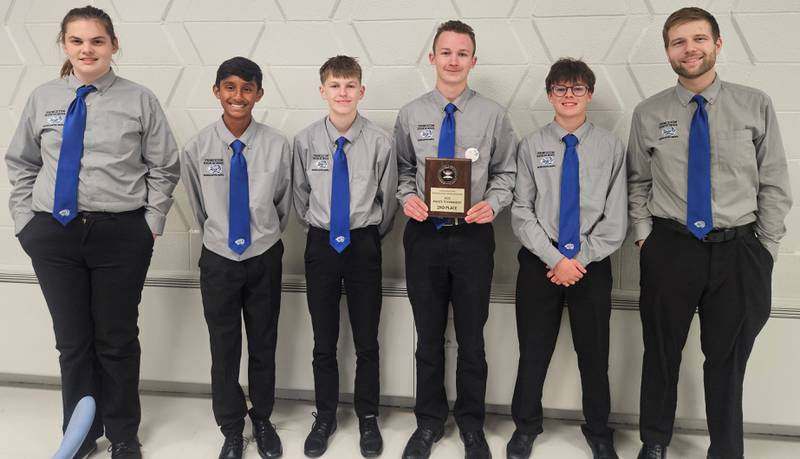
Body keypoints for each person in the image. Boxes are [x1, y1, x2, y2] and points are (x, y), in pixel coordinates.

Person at [4, 5, 180, 458]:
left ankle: (123, 434)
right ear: (65, 45)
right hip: (53, 235)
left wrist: (150, 224)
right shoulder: (43, 97)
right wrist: (26, 223)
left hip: (120, 234)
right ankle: (79, 434)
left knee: (117, 338)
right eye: (77, 41)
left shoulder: (139, 99)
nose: (87, 49)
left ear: (113, 45)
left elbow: (165, 166)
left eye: (97, 41)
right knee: (72, 341)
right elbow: (21, 162)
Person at [627, 7, 792, 459]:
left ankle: (725, 450)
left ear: (718, 44)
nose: (689, 49)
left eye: (698, 39)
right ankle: (655, 442)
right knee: (661, 354)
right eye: (678, 42)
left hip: (739, 251)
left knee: (727, 361)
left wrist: (766, 247)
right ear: (667, 51)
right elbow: (637, 181)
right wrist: (645, 236)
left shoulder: (754, 103)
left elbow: (775, 180)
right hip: (670, 247)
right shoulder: (648, 112)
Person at [393, 20, 517, 459]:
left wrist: (494, 204)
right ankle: (428, 422)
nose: (453, 60)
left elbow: (507, 172)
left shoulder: (493, 115)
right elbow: (403, 170)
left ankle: (471, 425)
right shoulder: (410, 114)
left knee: (471, 338)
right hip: (424, 237)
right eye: (445, 52)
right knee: (427, 336)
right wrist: (407, 198)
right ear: (432, 58)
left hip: (473, 239)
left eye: (462, 53)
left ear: (473, 61)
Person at [508, 58, 626, 459]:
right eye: (561, 89)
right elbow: (521, 211)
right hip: (540, 263)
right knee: (533, 351)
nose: (569, 96)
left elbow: (616, 218)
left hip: (590, 267)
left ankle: (598, 431)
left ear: (589, 94)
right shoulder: (531, 146)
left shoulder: (611, 147)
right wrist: (555, 258)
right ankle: (525, 425)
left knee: (594, 355)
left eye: (577, 88)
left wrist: (579, 260)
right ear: (549, 95)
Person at [180, 56, 291, 459]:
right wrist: (224, 238)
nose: (238, 96)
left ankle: (262, 418)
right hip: (219, 258)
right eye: (230, 87)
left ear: (259, 94)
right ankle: (230, 426)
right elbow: (198, 206)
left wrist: (260, 237)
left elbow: (283, 203)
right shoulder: (197, 147)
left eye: (247, 88)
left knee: (264, 341)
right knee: (223, 346)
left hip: (263, 255)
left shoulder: (279, 145)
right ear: (217, 92)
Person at [292, 55, 398, 458]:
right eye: (334, 86)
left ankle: (368, 416)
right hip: (321, 244)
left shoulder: (379, 141)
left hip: (363, 243)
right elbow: (300, 196)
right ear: (322, 91)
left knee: (367, 337)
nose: (342, 93)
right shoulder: (304, 141)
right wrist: (321, 230)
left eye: (350, 85)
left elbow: (388, 202)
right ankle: (325, 415)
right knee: (324, 339)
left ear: (361, 91)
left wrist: (367, 234)